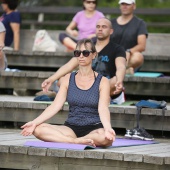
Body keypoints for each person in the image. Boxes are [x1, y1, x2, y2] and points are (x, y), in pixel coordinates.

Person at [21, 38, 115, 147]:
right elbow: (55, 105)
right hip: (71, 128)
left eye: (85, 53)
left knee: (107, 139)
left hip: (94, 129)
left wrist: (108, 128)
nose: (81, 56)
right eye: (77, 53)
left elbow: (103, 108)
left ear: (94, 55)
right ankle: (74, 141)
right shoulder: (67, 79)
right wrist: (34, 122)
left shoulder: (102, 81)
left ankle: (78, 139)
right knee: (38, 129)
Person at [42, 18, 126, 104]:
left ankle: (89, 98)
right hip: (87, 85)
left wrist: (119, 80)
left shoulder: (118, 49)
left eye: (104, 27)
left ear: (111, 31)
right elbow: (69, 66)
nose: (100, 29)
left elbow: (121, 67)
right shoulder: (87, 47)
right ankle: (89, 99)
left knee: (114, 81)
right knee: (62, 80)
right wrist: (51, 79)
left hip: (106, 87)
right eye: (98, 27)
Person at [111, 0, 148, 74]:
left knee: (138, 56)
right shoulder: (111, 23)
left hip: (128, 59)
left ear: (134, 6)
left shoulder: (140, 23)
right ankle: (123, 70)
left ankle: (123, 69)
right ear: (120, 6)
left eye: (127, 4)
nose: (124, 6)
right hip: (112, 56)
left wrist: (128, 51)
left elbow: (142, 46)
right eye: (122, 4)